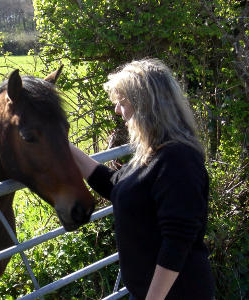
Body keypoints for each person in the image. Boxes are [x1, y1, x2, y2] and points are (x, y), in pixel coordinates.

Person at [70, 58, 215, 300]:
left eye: (122, 102)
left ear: (145, 105)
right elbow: (115, 184)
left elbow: (177, 242)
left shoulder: (178, 159)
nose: (117, 111)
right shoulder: (153, 152)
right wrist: (64, 147)